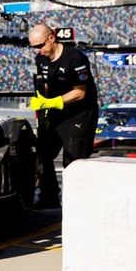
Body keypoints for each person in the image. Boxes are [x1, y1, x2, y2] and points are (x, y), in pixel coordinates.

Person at [28, 23, 99, 209]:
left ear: (51, 38)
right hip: (56, 112)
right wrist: (42, 102)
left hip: (80, 114)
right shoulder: (40, 59)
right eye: (33, 47)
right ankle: (49, 197)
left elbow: (81, 92)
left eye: (39, 45)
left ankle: (77, 202)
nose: (37, 50)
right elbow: (44, 85)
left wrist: (53, 102)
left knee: (73, 160)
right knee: (42, 152)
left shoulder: (75, 58)